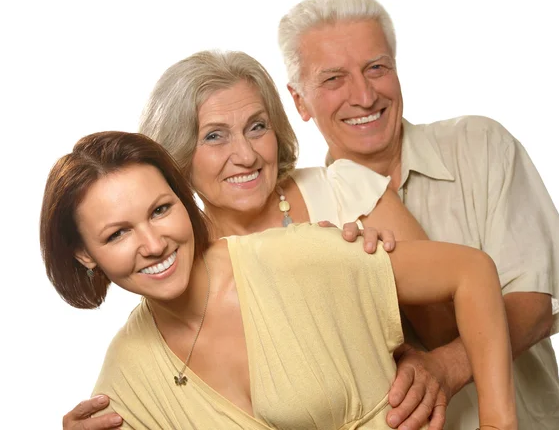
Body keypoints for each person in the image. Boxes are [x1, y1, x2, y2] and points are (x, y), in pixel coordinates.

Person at [62, 49, 450, 430]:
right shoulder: (176, 258)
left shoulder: (349, 194)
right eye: (214, 136)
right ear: (174, 154)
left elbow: (467, 321)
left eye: (257, 126)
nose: (245, 155)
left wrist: (441, 366)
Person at [41, 130, 516, 429]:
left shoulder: (293, 257)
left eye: (161, 210)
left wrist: (497, 422)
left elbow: (470, 272)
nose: (152, 243)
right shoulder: (128, 373)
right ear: (85, 254)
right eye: (118, 233)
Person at [277, 0, 559, 429]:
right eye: (333, 79)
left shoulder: (480, 146)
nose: (364, 96)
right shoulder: (298, 213)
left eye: (377, 68)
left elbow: (534, 302)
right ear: (299, 101)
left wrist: (446, 365)